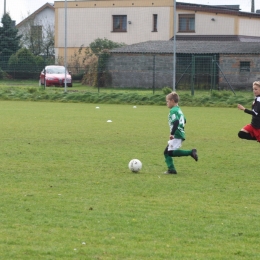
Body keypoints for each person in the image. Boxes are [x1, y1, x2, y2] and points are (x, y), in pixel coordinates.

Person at [164, 91, 198, 174]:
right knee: (166, 152)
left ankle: (191, 152)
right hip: (180, 132)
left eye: (167, 101)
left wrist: (172, 133)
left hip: (177, 133)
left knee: (170, 152)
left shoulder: (173, 111)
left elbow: (176, 122)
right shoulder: (179, 110)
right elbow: (185, 120)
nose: (166, 103)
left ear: (172, 101)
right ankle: (171, 169)